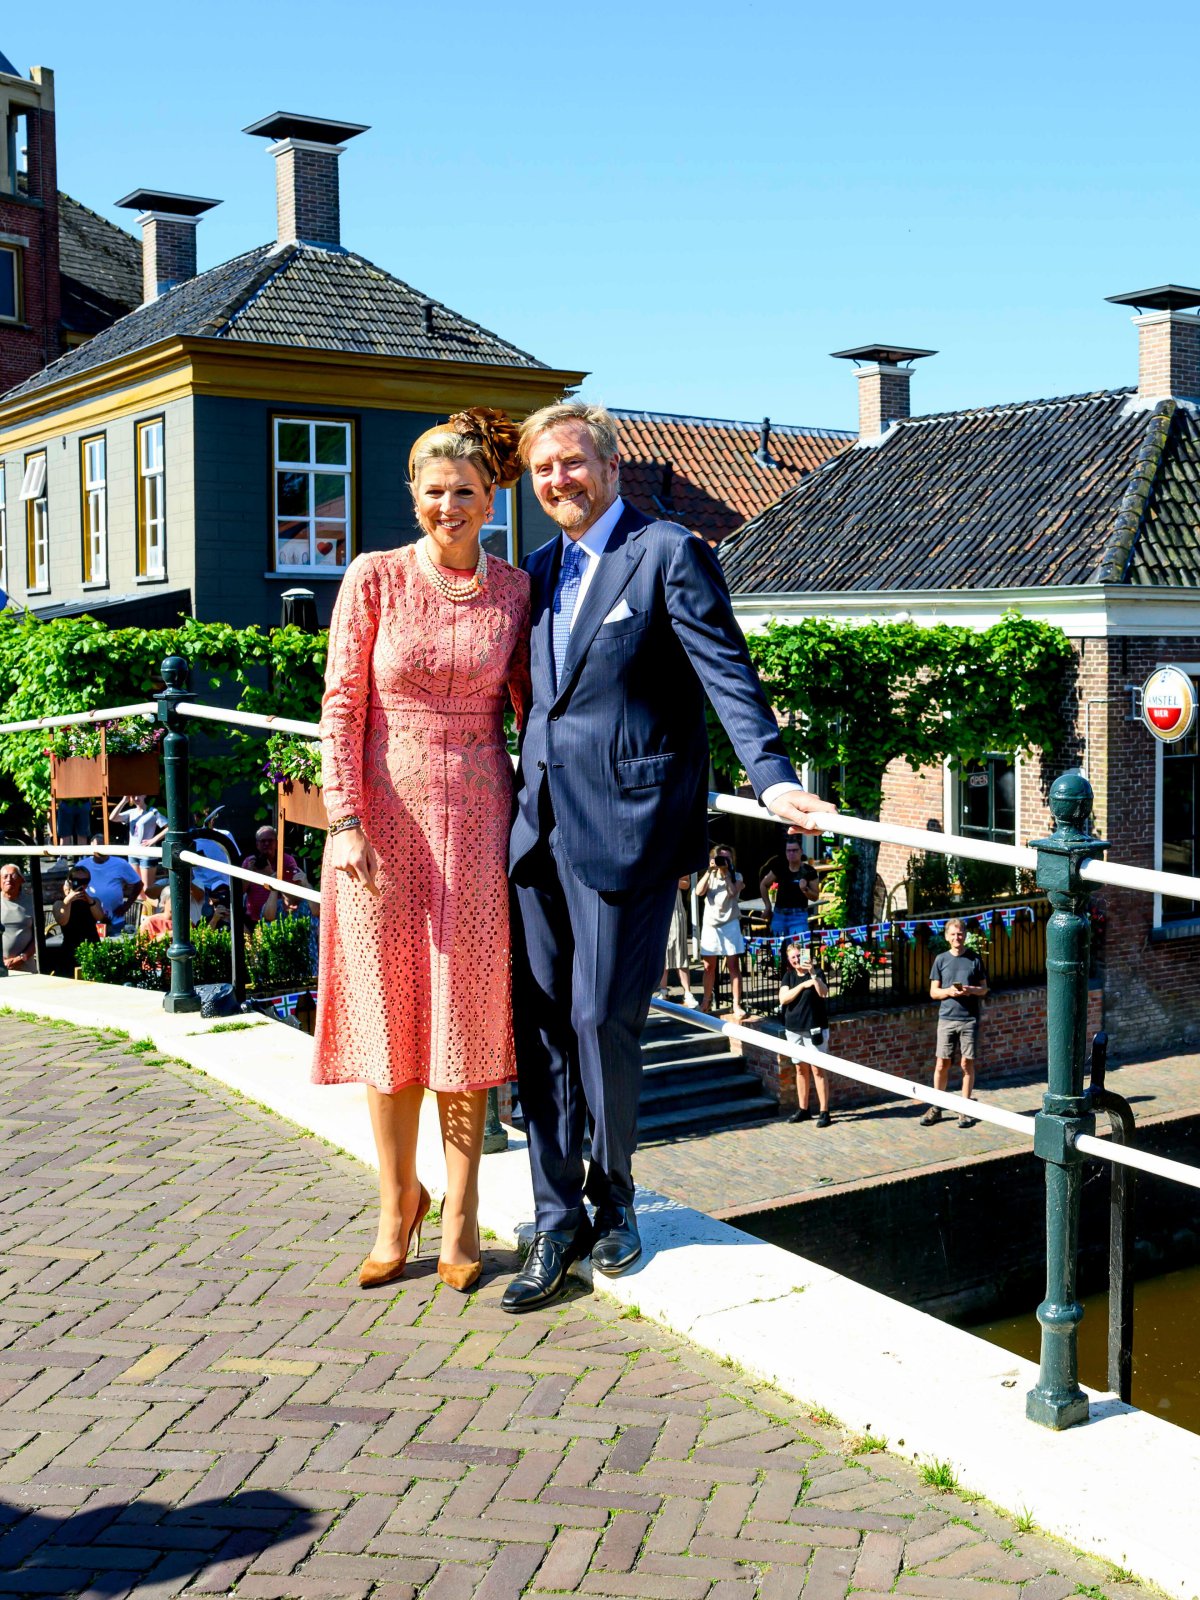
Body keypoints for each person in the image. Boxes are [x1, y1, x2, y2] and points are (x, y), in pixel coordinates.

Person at [504, 400, 835, 1315]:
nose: (558, 481)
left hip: (628, 826)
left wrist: (769, 776)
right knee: (539, 1025)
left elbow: (726, 670)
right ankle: (553, 1216)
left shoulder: (665, 554)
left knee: (601, 1014)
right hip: (535, 832)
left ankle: (615, 1200)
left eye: (572, 463)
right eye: (542, 471)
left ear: (611, 468)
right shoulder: (533, 574)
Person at [313, 407, 530, 1296]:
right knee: (389, 1017)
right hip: (384, 829)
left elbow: (537, 709)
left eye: (466, 493)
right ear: (414, 496)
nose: (450, 505)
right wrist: (344, 821)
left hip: (479, 824)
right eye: (435, 491)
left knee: (465, 1019)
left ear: (491, 500)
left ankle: (465, 1210)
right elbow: (340, 705)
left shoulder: (516, 591)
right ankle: (396, 1202)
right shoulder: (373, 578)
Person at [924, 917, 988, 1128]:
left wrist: (970, 990)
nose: (956, 937)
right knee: (942, 1062)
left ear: (965, 935)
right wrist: (949, 992)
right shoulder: (941, 960)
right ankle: (937, 1106)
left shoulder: (974, 959)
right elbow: (933, 992)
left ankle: (964, 1108)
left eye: (959, 934)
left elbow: (984, 989)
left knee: (966, 1063)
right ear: (946, 937)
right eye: (952, 934)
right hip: (947, 1018)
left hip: (969, 1019)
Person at [778, 941, 832, 1127]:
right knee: (800, 1069)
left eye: (798, 956)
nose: (795, 960)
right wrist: (802, 986)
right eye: (792, 957)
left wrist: (813, 976)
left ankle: (824, 1111)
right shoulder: (789, 976)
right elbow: (784, 998)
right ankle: (804, 1109)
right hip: (794, 1029)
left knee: (818, 1069)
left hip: (814, 1028)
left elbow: (823, 993)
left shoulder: (817, 973)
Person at [697, 845, 747, 1019]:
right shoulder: (710, 876)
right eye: (720, 858)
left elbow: (733, 892)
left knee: (733, 966)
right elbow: (698, 891)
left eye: (727, 858)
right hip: (711, 925)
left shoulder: (737, 876)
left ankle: (736, 1004)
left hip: (730, 923)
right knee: (709, 966)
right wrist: (709, 871)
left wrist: (726, 874)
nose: (724, 861)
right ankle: (706, 1001)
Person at [760, 835, 819, 943]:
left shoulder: (809, 871)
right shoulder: (780, 866)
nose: (791, 853)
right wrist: (768, 906)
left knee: (799, 953)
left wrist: (805, 889)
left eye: (795, 850)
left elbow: (815, 897)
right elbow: (763, 884)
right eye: (789, 851)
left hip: (799, 916)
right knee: (778, 953)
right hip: (779, 914)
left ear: (801, 851)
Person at [652, 875, 698, 1006]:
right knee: (661, 951)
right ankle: (663, 990)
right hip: (658, 910)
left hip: (675, 910)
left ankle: (688, 992)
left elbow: (686, 884)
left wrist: (668, 880)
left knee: (679, 950)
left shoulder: (677, 860)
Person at [242, 826, 300, 927]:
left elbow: (293, 893)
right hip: (253, 919)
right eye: (263, 841)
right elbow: (240, 891)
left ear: (277, 843)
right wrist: (248, 873)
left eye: (270, 841)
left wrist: (271, 874)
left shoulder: (286, 861)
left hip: (279, 918)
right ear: (257, 844)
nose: (267, 844)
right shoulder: (249, 862)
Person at [83, 837, 142, 934]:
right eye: (98, 845)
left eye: (103, 844)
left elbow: (138, 884)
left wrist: (126, 906)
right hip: (90, 920)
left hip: (116, 920)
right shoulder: (82, 865)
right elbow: (70, 886)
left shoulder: (120, 863)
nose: (101, 848)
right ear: (91, 846)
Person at [110, 794, 166, 893]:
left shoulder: (153, 811)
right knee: (137, 888)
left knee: (147, 889)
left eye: (139, 795)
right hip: (132, 853)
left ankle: (151, 908)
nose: (136, 798)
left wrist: (153, 840)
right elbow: (112, 818)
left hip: (147, 854)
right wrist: (124, 801)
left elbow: (169, 827)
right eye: (133, 796)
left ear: (145, 795)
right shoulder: (131, 812)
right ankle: (142, 909)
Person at [52, 865, 101, 972]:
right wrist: (69, 900)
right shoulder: (60, 903)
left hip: (92, 947)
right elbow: (62, 920)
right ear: (70, 881)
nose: (80, 883)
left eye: (84, 881)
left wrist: (87, 898)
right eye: (76, 880)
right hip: (70, 950)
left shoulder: (93, 901)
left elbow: (99, 916)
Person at [1, 864, 38, 973]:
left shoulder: (31, 902)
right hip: (1, 967)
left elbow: (38, 937)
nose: (9, 879)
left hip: (26, 967)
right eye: (5, 876)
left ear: (21, 880)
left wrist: (22, 957)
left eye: (13, 876)